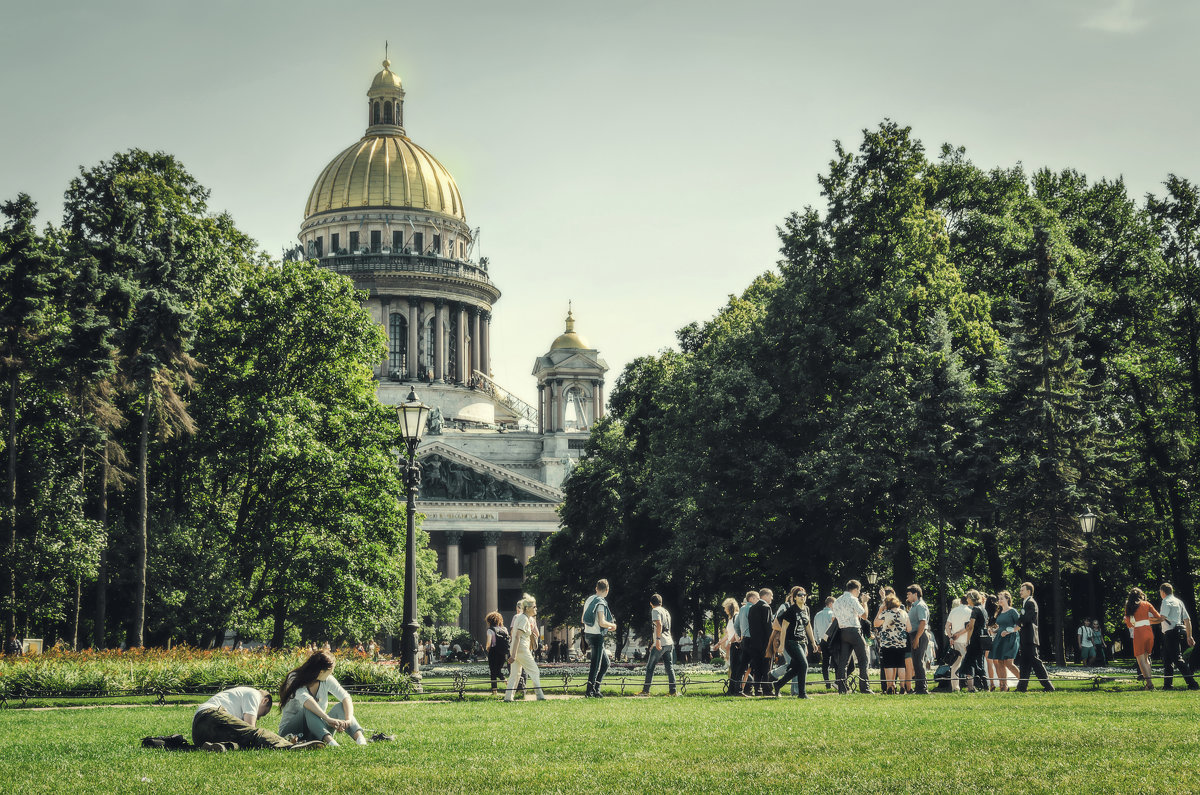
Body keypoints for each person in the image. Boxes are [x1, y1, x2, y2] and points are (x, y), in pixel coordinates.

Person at [279, 650, 375, 746]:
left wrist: (348, 720)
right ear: (321, 671)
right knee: (309, 708)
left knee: (341, 706)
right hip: (291, 733)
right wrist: (328, 719)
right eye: (330, 672)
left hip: (317, 730)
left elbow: (345, 697)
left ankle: (360, 739)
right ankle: (331, 743)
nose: (331, 674)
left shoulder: (326, 679)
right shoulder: (294, 678)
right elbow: (307, 700)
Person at [192, 685, 323, 751]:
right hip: (210, 716)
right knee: (255, 734)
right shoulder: (253, 694)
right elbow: (251, 729)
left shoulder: (239, 696)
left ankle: (219, 747)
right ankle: (288, 746)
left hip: (199, 734)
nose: (258, 717)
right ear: (265, 701)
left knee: (244, 742)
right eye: (262, 714)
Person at [773, 586, 816, 699]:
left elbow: (808, 626)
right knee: (804, 665)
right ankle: (802, 694)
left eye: (804, 595)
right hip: (791, 642)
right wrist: (782, 645)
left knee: (797, 668)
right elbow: (784, 629)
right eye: (799, 595)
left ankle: (778, 684)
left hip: (802, 641)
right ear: (795, 597)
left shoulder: (806, 609)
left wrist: (813, 642)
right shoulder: (790, 611)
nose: (802, 597)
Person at [832, 580, 873, 694]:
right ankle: (865, 687)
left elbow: (833, 619)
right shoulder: (853, 600)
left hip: (843, 632)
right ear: (855, 590)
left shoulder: (837, 601)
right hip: (854, 631)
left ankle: (842, 688)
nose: (859, 593)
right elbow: (864, 616)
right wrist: (864, 603)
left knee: (843, 662)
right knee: (863, 659)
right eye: (859, 591)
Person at [504, 595, 547, 702]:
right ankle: (540, 696)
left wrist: (513, 653)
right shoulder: (523, 619)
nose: (536, 609)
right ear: (527, 608)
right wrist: (513, 655)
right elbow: (518, 636)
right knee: (534, 671)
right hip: (521, 649)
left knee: (515, 674)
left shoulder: (523, 618)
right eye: (534, 607)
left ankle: (508, 697)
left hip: (518, 649)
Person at [1156, 583, 1197, 690]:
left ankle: (1192, 683)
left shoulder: (1165, 601)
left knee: (1177, 659)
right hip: (1178, 631)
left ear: (1162, 592)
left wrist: (1146, 621)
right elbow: (1187, 620)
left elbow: (1162, 618)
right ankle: (1167, 685)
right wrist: (1189, 636)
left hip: (1170, 632)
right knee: (1167, 660)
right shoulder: (1179, 601)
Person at [1016, 582, 1055, 692]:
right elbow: (1023, 619)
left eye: (1022, 590)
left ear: (1028, 591)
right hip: (1026, 637)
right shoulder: (1026, 603)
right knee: (1024, 663)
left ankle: (1048, 686)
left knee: (1035, 661)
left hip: (1029, 637)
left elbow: (1027, 619)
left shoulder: (1030, 603)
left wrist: (1019, 621)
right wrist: (1020, 621)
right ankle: (1022, 687)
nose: (1020, 591)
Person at [582, 579, 616, 698]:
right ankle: (590, 692)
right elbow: (602, 622)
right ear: (607, 590)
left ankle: (596, 689)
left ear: (596, 588)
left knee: (605, 663)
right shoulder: (601, 602)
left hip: (588, 634)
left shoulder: (589, 600)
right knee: (595, 666)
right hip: (597, 636)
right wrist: (612, 625)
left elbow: (583, 619)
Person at [637, 594, 677, 696]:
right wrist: (655, 642)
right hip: (669, 642)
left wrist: (658, 640)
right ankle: (673, 691)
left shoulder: (655, 611)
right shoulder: (666, 611)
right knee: (669, 667)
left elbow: (659, 624)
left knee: (650, 667)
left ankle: (646, 691)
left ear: (651, 603)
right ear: (661, 602)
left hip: (661, 642)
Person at [1124, 587, 1162, 690]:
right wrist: (1147, 619)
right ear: (1141, 595)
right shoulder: (1147, 604)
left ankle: (1149, 684)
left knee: (1140, 660)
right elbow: (1158, 616)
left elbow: (1128, 624)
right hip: (1149, 631)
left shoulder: (1129, 606)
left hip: (1139, 632)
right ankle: (1148, 684)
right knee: (1146, 659)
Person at [874, 594, 911, 694]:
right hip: (901, 643)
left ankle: (890, 686)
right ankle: (902, 687)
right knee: (901, 665)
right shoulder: (904, 613)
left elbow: (876, 623)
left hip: (887, 643)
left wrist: (880, 610)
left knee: (889, 664)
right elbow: (909, 628)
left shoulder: (885, 613)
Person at [990, 590, 1021, 691]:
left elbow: (1019, 625)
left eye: (1001, 598)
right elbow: (1001, 626)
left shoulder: (1013, 611)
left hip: (1011, 638)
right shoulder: (1000, 612)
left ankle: (1023, 683)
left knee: (1008, 663)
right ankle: (1003, 686)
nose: (999, 600)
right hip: (1000, 638)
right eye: (999, 599)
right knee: (1000, 662)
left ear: (1007, 599)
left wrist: (1008, 632)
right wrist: (994, 630)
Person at [745, 588, 774, 696]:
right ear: (765, 596)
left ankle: (757, 689)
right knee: (766, 667)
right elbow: (767, 627)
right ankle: (767, 689)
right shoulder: (765, 607)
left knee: (757, 668)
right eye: (770, 595)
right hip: (765, 643)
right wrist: (771, 642)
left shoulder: (752, 608)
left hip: (754, 643)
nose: (772, 598)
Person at [959, 590, 987, 693]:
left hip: (975, 638)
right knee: (979, 662)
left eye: (968, 598)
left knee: (969, 662)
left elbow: (971, 627)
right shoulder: (983, 609)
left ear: (971, 599)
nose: (966, 600)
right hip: (982, 637)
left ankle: (972, 685)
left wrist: (967, 641)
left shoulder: (975, 609)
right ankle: (985, 685)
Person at [905, 585, 931, 695]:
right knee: (916, 662)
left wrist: (916, 638)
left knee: (918, 662)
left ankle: (922, 688)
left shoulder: (920, 606)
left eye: (909, 594)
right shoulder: (914, 606)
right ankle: (919, 687)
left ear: (916, 594)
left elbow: (923, 622)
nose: (907, 596)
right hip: (915, 635)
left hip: (919, 635)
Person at [945, 597, 972, 692]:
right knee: (968, 663)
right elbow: (968, 627)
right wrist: (959, 634)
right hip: (965, 640)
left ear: (960, 601)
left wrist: (951, 637)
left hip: (956, 641)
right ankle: (970, 685)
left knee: (955, 664)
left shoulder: (954, 611)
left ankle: (955, 686)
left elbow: (947, 626)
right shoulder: (970, 611)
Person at [484, 611, 511, 695]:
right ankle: (505, 680)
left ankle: (494, 691)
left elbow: (489, 643)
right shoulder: (505, 629)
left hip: (494, 652)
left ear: (489, 621)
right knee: (498, 669)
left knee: (493, 671)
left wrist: (487, 649)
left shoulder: (490, 630)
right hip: (503, 653)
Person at [812, 597, 835, 689]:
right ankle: (838, 682)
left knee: (825, 662)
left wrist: (817, 642)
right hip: (832, 640)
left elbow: (815, 630)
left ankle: (827, 683)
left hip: (822, 641)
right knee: (837, 661)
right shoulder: (832, 614)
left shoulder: (817, 615)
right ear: (831, 604)